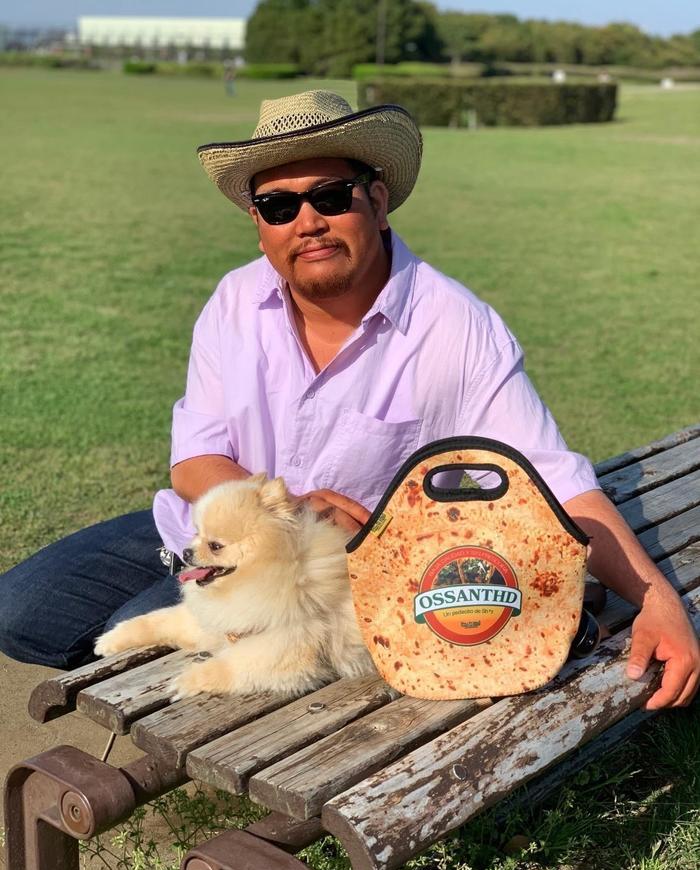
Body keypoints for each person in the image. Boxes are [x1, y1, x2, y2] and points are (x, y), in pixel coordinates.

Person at [0, 90, 697, 710]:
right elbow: (194, 462)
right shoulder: (233, 302)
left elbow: (552, 480)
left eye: (331, 196)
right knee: (20, 611)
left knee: (136, 644)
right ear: (258, 223)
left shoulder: (455, 327)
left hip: (333, 580)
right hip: (203, 535)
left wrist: (655, 597)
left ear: (378, 200)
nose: (307, 221)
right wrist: (292, 511)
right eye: (279, 206)